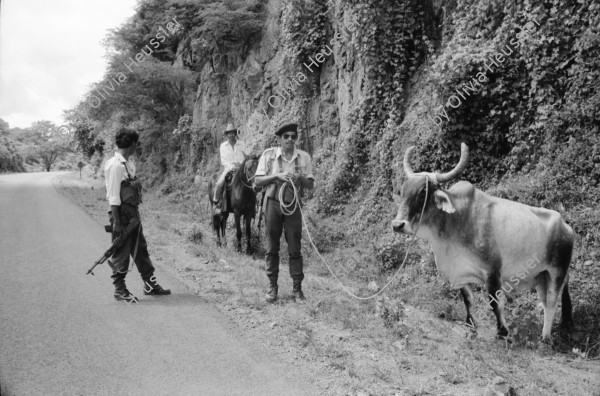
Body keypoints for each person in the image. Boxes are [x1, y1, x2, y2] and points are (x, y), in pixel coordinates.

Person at [104, 127, 171, 303]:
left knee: (140, 249)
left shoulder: (128, 165)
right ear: (132, 144)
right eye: (136, 144)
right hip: (121, 214)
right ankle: (119, 290)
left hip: (133, 213)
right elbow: (113, 196)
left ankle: (150, 284)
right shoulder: (115, 166)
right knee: (121, 251)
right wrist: (117, 222)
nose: (137, 147)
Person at [254, 123, 315, 303]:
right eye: (286, 136)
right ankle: (272, 287)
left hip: (293, 205)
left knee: (295, 247)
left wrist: (300, 178)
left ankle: (297, 289)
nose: (290, 139)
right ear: (279, 139)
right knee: (272, 247)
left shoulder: (303, 157)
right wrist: (277, 176)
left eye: (293, 136)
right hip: (273, 203)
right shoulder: (269, 155)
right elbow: (257, 181)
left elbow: (310, 184)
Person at [213, 123, 248, 213]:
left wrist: (241, 164)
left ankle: (252, 206)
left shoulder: (242, 144)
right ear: (227, 135)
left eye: (233, 133)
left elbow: (246, 156)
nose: (231, 135)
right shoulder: (223, 146)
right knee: (219, 183)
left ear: (235, 134)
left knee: (251, 182)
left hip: (241, 169)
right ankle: (216, 203)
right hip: (229, 169)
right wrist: (232, 166)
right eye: (229, 133)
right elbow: (223, 161)